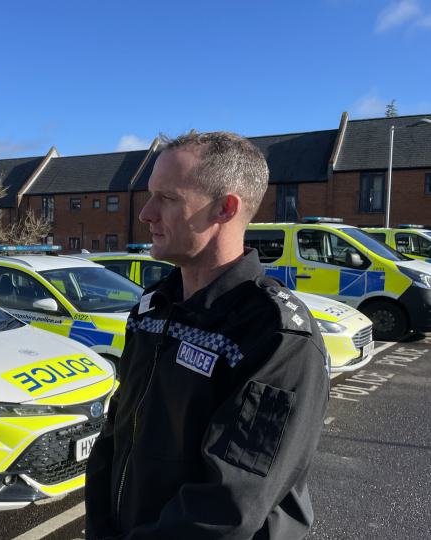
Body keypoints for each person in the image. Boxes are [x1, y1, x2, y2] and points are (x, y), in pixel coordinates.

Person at [84, 132, 330, 539]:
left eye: (167, 198)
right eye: (150, 195)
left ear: (225, 208)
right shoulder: (152, 308)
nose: (145, 213)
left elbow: (228, 505)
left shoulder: (277, 337)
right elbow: (114, 436)